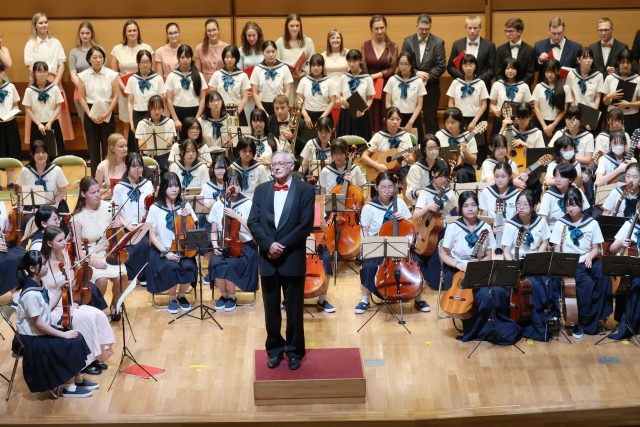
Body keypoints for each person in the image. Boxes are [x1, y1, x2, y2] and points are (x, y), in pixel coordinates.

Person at [247, 150, 315, 370]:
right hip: (268, 259)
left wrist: (281, 245)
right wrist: (269, 245)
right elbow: (253, 222)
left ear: (291, 166)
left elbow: (305, 225)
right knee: (271, 311)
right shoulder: (261, 190)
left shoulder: (305, 190)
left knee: (294, 310)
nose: (276, 167)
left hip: (292, 258)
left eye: (281, 164)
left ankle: (294, 351)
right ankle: (275, 350)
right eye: (273, 164)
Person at [439, 191, 522, 344]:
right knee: (470, 291)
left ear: (478, 206)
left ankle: (492, 328)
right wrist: (459, 264)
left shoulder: (485, 227)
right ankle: (473, 329)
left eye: (473, 205)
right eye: (466, 206)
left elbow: (489, 254)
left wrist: (479, 263)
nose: (470, 209)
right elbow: (443, 254)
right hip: (457, 269)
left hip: (480, 267)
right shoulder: (453, 227)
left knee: (493, 292)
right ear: (460, 208)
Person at [14, 251, 95, 398]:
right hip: (32, 338)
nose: (47, 266)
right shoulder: (30, 294)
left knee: (76, 337)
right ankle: (69, 388)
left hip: (39, 332)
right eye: (44, 264)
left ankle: (77, 379)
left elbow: (47, 309)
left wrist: (58, 290)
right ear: (33, 269)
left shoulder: (39, 283)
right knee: (68, 342)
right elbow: (39, 324)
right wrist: (63, 334)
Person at [41, 226, 115, 375]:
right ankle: (84, 362)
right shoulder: (42, 263)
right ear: (49, 243)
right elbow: (46, 290)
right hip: (52, 306)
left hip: (67, 302)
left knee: (98, 314)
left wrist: (76, 283)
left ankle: (94, 355)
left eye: (64, 239)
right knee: (84, 319)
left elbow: (72, 282)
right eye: (60, 240)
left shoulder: (64, 255)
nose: (64, 243)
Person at [549, 187, 612, 338]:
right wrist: (562, 263)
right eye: (567, 205)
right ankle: (581, 322)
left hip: (588, 259)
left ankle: (597, 315)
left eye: (573, 205)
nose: (570, 209)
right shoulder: (560, 223)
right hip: (570, 263)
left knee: (604, 274)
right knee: (587, 284)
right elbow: (557, 248)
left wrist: (590, 256)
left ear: (581, 204)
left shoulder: (592, 223)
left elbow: (596, 248)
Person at [72, 177, 128, 321]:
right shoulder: (77, 217)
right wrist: (92, 261)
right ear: (83, 194)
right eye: (93, 192)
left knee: (122, 277)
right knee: (102, 280)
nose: (98, 195)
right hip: (89, 256)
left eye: (98, 191)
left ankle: (115, 304)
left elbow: (118, 236)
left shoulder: (109, 207)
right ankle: (96, 311)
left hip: (110, 252)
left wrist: (119, 227)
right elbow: (78, 249)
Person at [501, 190, 553, 341]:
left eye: (525, 204)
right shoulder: (511, 225)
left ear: (533, 207)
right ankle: (530, 323)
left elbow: (545, 241)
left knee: (547, 282)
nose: (521, 207)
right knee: (532, 285)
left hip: (534, 261)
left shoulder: (540, 222)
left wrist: (538, 256)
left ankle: (544, 319)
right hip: (515, 262)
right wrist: (513, 266)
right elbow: (506, 250)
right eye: (518, 204)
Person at [144, 171, 197, 314]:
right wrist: (166, 252)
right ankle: (172, 297)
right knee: (171, 266)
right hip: (162, 250)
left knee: (189, 266)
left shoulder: (185, 206)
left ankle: (182, 295)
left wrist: (189, 217)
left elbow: (193, 230)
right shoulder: (155, 208)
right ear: (163, 188)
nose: (174, 189)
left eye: (176, 186)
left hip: (183, 248)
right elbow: (152, 236)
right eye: (170, 186)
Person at [208, 169, 259, 312]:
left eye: (237, 184)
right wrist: (215, 245)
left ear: (241, 186)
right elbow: (213, 231)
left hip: (244, 246)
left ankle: (232, 296)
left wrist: (238, 217)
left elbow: (254, 232)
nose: (234, 187)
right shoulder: (219, 205)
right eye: (230, 184)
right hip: (224, 244)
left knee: (230, 265)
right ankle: (223, 294)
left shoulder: (248, 204)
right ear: (225, 185)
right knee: (215, 263)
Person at [23, 12, 74, 144]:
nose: (44, 25)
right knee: (37, 112)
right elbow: (29, 66)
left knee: (57, 114)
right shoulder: (30, 44)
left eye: (45, 22)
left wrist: (54, 84)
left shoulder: (55, 42)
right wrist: (40, 81)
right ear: (35, 25)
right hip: (36, 83)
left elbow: (62, 64)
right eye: (40, 23)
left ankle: (58, 147)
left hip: (54, 82)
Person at [412, 158, 456, 296]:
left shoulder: (450, 193)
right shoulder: (425, 192)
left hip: (445, 230)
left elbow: (455, 214)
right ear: (433, 173)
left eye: (446, 176)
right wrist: (427, 207)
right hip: (428, 233)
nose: (443, 179)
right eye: (440, 176)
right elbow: (415, 215)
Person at [110, 19, 154, 147]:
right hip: (124, 91)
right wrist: (124, 88)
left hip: (144, 89)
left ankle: (146, 151)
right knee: (127, 123)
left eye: (134, 30)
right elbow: (114, 73)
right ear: (125, 33)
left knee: (146, 122)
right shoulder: (117, 49)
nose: (132, 33)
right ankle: (127, 152)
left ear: (138, 32)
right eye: (129, 31)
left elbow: (152, 70)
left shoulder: (146, 48)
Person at [78, 46, 119, 176]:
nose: (98, 60)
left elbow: (115, 96)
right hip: (90, 112)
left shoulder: (112, 74)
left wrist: (107, 113)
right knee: (93, 148)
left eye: (100, 57)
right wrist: (90, 115)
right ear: (89, 59)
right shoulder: (83, 75)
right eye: (95, 57)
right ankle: (95, 179)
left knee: (109, 148)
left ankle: (108, 177)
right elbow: (81, 98)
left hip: (107, 111)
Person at [111, 152, 154, 280]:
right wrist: (127, 225)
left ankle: (145, 275)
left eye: (140, 166)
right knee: (138, 244)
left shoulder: (148, 184)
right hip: (127, 227)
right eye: (134, 166)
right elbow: (116, 211)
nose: (137, 169)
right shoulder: (119, 187)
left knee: (147, 242)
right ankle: (134, 275)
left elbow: (152, 207)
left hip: (145, 225)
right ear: (127, 167)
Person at [402, 14, 446, 135]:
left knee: (430, 119)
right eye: (421, 29)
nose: (424, 32)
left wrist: (427, 77)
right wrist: (416, 72)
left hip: (430, 87)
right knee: (411, 119)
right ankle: (414, 146)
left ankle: (432, 145)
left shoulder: (438, 42)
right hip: (411, 87)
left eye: (427, 29)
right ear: (416, 25)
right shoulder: (408, 41)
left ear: (430, 27)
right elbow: (404, 62)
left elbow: (441, 65)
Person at [362, 15, 397, 135]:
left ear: (385, 27)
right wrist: (369, 80)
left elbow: (392, 69)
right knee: (369, 116)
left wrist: (376, 75)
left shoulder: (393, 46)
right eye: (376, 28)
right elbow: (363, 68)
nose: (379, 31)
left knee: (385, 116)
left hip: (387, 88)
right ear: (371, 29)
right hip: (369, 86)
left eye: (382, 28)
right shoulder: (365, 45)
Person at [361, 107, 416, 183]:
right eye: (392, 119)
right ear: (385, 120)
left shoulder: (405, 136)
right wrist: (377, 166)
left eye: (398, 119)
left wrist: (409, 160)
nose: (395, 122)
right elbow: (364, 157)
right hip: (381, 172)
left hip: (401, 171)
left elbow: (411, 159)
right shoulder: (378, 136)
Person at [125, 49, 165, 152]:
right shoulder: (132, 79)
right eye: (142, 62)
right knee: (137, 147)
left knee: (155, 146)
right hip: (137, 115)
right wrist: (131, 123)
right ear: (138, 63)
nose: (145, 64)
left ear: (151, 63)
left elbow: (161, 100)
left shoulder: (158, 78)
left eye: (147, 62)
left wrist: (160, 117)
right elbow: (130, 102)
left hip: (154, 115)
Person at [608, 212, 640, 339]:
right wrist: (621, 243)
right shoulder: (628, 225)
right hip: (627, 270)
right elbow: (612, 249)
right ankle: (628, 325)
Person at [23, 61, 64, 155]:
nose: (42, 74)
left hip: (52, 124)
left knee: (55, 154)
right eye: (39, 71)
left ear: (47, 73)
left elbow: (59, 106)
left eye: (45, 71)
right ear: (34, 73)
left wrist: (50, 122)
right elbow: (27, 108)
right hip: (37, 126)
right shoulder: (29, 90)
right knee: (37, 153)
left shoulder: (54, 88)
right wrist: (38, 123)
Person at [384, 50, 426, 140]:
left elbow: (419, 105)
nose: (403, 67)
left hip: (413, 118)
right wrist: (394, 119)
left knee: (414, 145)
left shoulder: (418, 81)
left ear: (411, 65)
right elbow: (388, 102)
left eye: (406, 64)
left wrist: (411, 122)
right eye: (401, 64)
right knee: (396, 144)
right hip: (396, 118)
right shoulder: (392, 80)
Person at [446, 15, 496, 91]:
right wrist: (463, 78)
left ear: (480, 28)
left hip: (483, 87)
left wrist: (479, 81)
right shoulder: (457, 44)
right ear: (465, 28)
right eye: (470, 28)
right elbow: (450, 67)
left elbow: (493, 68)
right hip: (461, 86)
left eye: (475, 28)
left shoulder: (489, 45)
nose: (472, 31)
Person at [275, 13, 316, 105]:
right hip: (286, 82)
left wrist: (303, 73)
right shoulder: (280, 42)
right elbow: (276, 63)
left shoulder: (308, 41)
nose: (295, 28)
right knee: (288, 106)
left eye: (297, 26)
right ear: (287, 26)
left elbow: (313, 61)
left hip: (303, 79)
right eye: (292, 26)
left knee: (301, 107)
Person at [17, 139, 69, 211]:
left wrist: (55, 204)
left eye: (44, 152)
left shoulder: (56, 170)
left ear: (47, 154)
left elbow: (63, 190)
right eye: (37, 152)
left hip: (51, 207)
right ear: (32, 155)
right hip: (31, 208)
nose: (41, 155)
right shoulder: (25, 170)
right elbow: (20, 190)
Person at [296, 54, 336, 144]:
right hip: (307, 117)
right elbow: (298, 101)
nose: (316, 68)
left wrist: (322, 117)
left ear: (323, 66)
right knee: (306, 144)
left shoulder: (329, 81)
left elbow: (333, 101)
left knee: (325, 144)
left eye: (318, 65)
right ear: (310, 67)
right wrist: (305, 116)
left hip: (324, 116)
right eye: (313, 65)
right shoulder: (304, 80)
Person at [335, 49, 375, 140]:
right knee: (345, 141)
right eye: (349, 61)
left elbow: (370, 98)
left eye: (354, 61)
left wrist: (363, 109)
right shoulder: (344, 77)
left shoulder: (367, 78)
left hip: (360, 114)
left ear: (360, 60)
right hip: (345, 114)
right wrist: (340, 100)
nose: (352, 64)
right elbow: (340, 95)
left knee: (360, 142)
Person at [446, 54, 489, 138]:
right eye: (465, 65)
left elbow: (484, 104)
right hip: (458, 119)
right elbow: (451, 102)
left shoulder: (480, 83)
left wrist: (475, 120)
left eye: (471, 65)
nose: (468, 68)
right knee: (459, 143)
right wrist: (456, 117)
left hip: (476, 120)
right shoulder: (456, 82)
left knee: (477, 144)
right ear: (461, 67)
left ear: (475, 66)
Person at [166, 44, 205, 132]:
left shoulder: (199, 75)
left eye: (188, 57)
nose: (185, 60)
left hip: (194, 112)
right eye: (182, 57)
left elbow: (203, 99)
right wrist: (175, 119)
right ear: (178, 58)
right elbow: (169, 100)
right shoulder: (172, 76)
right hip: (177, 113)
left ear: (191, 58)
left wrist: (197, 117)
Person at [539, 162, 590, 229]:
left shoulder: (577, 191)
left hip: (576, 230)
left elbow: (586, 212)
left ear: (570, 179)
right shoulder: (548, 195)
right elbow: (542, 221)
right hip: (554, 231)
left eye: (562, 176)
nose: (558, 180)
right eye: (556, 176)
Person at [208, 45, 250, 126]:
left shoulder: (242, 75)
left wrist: (236, 113)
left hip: (237, 113)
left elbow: (245, 98)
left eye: (232, 57)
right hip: (220, 112)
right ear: (223, 58)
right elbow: (212, 96)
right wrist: (218, 111)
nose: (229, 60)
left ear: (237, 58)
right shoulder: (217, 74)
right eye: (227, 57)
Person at [68, 21, 100, 126]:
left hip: (97, 90)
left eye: (87, 33)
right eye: (82, 33)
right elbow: (73, 75)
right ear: (79, 34)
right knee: (85, 123)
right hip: (80, 90)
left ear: (92, 34)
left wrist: (91, 89)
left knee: (98, 120)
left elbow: (102, 72)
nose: (85, 36)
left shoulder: (99, 50)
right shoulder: (74, 52)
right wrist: (84, 88)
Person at [489, 57, 532, 135]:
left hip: (518, 123)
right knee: (498, 142)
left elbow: (528, 106)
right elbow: (492, 104)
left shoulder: (524, 86)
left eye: (513, 68)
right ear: (503, 70)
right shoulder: (497, 84)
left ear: (517, 70)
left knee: (515, 143)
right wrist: (496, 111)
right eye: (507, 68)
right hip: (500, 121)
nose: (510, 71)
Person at [435, 107, 478, 183]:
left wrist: (465, 151)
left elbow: (474, 161)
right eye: (447, 122)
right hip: (443, 167)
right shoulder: (439, 135)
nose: (449, 125)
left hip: (463, 168)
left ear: (460, 122)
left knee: (460, 173)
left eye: (453, 122)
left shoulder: (469, 136)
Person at [532, 59, 571, 143]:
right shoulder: (539, 86)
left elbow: (564, 109)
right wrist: (544, 126)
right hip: (540, 124)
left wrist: (553, 125)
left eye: (552, 72)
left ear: (558, 71)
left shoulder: (565, 87)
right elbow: (536, 107)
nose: (549, 75)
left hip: (558, 125)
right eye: (547, 72)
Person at [250, 40, 293, 117]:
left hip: (279, 106)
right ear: (263, 52)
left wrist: (283, 106)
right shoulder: (257, 69)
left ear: (276, 52)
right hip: (262, 105)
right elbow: (255, 93)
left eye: (273, 51)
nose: (271, 54)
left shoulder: (284, 68)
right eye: (268, 52)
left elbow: (287, 90)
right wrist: (262, 110)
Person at [135, 95, 176, 172]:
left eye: (159, 108)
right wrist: (161, 142)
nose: (157, 112)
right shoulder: (142, 123)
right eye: (154, 109)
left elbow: (169, 143)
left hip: (165, 157)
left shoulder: (169, 122)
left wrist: (149, 144)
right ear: (149, 109)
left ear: (163, 109)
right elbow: (141, 146)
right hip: (148, 157)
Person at [602, 49, 640, 133]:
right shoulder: (610, 78)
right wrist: (609, 96)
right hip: (613, 117)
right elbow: (604, 102)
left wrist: (629, 104)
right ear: (618, 62)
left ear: (632, 63)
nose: (625, 65)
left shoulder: (638, 79)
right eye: (622, 62)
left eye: (628, 63)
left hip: (631, 118)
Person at [494, 18, 536, 86]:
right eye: (506, 31)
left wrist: (519, 87)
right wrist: (506, 86)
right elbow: (498, 73)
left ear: (519, 32)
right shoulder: (500, 50)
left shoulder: (529, 50)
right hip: (504, 88)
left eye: (510, 31)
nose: (507, 34)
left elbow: (530, 74)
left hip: (523, 88)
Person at [565, 47, 603, 114]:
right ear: (578, 60)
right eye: (585, 58)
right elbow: (572, 96)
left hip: (590, 110)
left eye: (590, 58)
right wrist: (573, 112)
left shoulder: (598, 76)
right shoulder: (572, 74)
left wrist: (593, 114)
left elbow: (597, 98)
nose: (588, 60)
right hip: (575, 111)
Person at [405, 134, 440, 206]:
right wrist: (422, 192)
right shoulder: (416, 168)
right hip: (422, 206)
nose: (434, 151)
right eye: (430, 148)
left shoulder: (442, 165)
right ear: (424, 150)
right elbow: (409, 194)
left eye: (436, 148)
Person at [0, 62, 21, 174]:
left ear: (3, 72)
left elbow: (16, 105)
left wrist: (11, 114)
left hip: (10, 124)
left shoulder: (10, 86)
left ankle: (10, 180)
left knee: (11, 153)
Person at [195, 19, 229, 83]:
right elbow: (198, 73)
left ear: (218, 30)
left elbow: (229, 69)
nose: (212, 33)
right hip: (205, 83)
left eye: (214, 30)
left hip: (222, 82)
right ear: (206, 32)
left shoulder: (226, 47)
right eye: (209, 31)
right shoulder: (199, 48)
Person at [94, 133, 127, 197]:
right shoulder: (102, 166)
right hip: (111, 200)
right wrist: (110, 191)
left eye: (125, 146)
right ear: (112, 149)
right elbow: (95, 190)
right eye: (121, 146)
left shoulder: (131, 163)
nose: (125, 149)